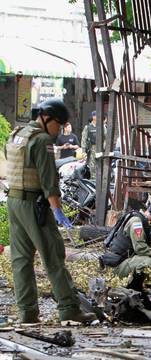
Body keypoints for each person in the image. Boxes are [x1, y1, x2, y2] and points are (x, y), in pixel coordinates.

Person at [5, 98, 97, 324]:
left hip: (14, 202)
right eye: (59, 124)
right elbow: (49, 183)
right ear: (46, 119)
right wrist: (58, 211)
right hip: (35, 206)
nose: (59, 130)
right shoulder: (42, 139)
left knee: (21, 260)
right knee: (54, 257)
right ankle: (69, 309)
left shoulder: (18, 135)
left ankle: (27, 313)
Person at [81, 111, 98, 177]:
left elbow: (106, 137)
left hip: (100, 149)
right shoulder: (87, 127)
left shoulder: (101, 127)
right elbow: (84, 139)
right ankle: (93, 181)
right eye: (96, 115)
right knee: (92, 167)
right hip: (91, 148)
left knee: (99, 166)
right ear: (93, 117)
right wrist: (83, 151)